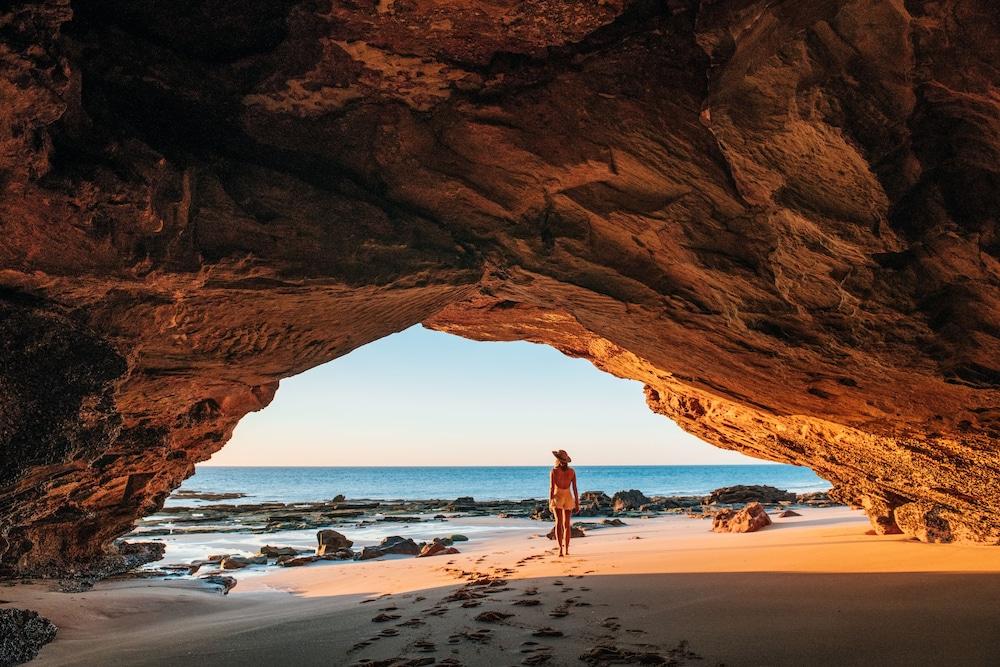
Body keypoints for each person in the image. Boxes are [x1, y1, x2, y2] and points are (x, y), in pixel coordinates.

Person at [549, 449, 579, 557]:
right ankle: (566, 550)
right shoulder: (572, 471)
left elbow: (552, 488)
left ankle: (560, 551)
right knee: (567, 525)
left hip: (558, 496)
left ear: (557, 459)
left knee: (558, 523)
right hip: (568, 496)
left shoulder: (554, 471)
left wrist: (550, 501)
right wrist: (577, 502)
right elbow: (575, 488)